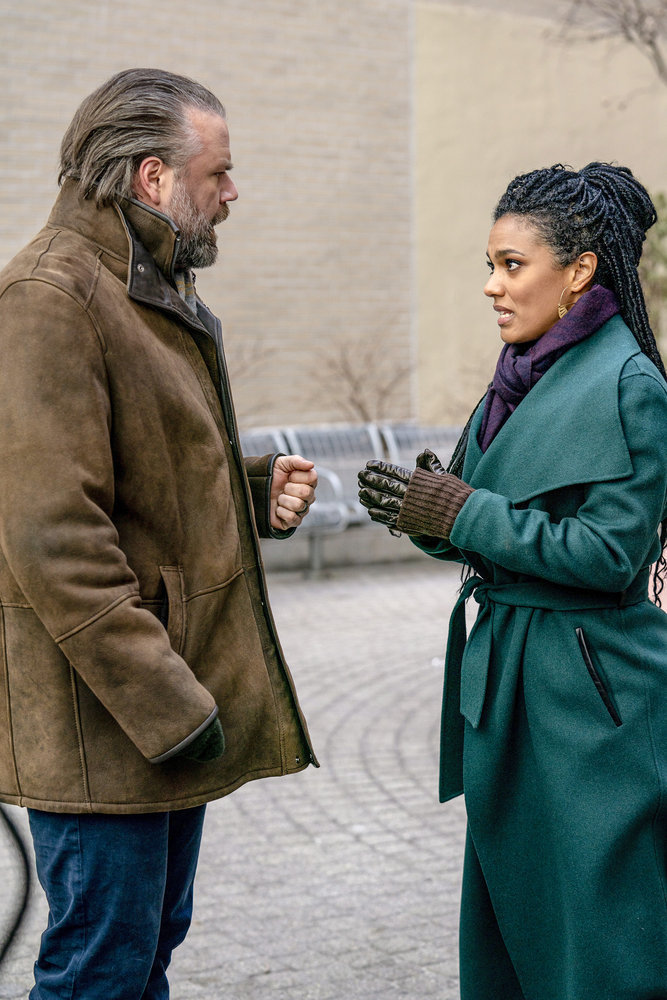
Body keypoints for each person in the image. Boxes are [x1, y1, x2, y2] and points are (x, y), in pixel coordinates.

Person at [0, 68, 319, 1000]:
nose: (231, 193)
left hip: (148, 718)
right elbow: (53, 534)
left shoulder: (137, 286)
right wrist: (171, 702)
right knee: (100, 968)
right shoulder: (50, 298)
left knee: (143, 953)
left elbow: (135, 471)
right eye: (216, 173)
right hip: (107, 724)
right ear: (151, 177)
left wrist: (249, 487)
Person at [358, 162, 667, 1000]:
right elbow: (481, 531)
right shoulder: (516, 378)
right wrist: (421, 513)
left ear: (578, 272)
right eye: (488, 266)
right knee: (515, 922)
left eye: (511, 265)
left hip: (590, 697)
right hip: (508, 685)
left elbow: (610, 555)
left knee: (603, 934)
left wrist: (462, 514)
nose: (492, 286)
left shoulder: (632, 386)